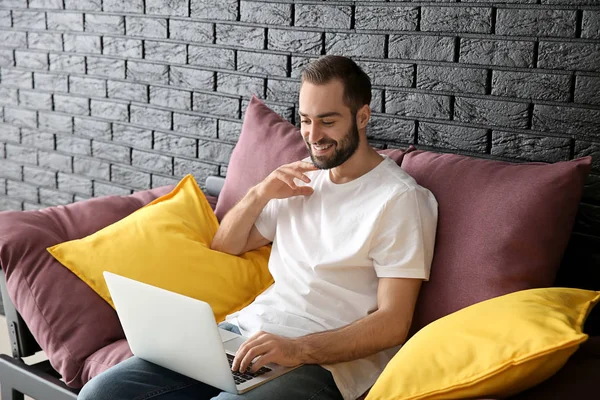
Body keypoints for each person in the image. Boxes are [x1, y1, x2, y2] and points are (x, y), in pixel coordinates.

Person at [78, 55, 438, 400]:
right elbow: (225, 247)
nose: (314, 135)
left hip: (322, 363)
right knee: (101, 393)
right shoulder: (299, 177)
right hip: (245, 336)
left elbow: (393, 323)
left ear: (362, 116)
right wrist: (260, 192)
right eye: (306, 119)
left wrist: (297, 349)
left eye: (328, 121)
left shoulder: (399, 199)